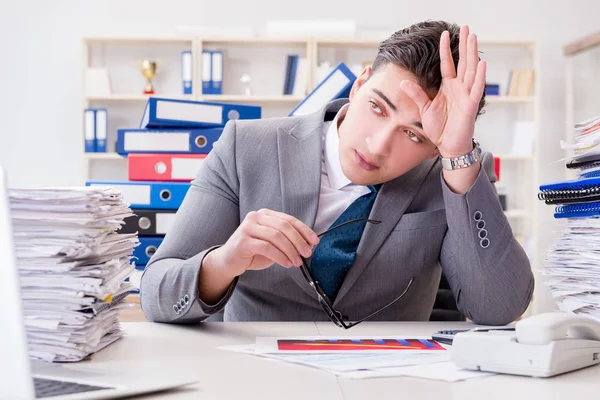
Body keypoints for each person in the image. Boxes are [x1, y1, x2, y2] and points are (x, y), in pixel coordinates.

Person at [139, 20, 534, 327]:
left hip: (392, 381)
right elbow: (156, 294)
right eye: (377, 108)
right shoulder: (246, 147)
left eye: (413, 135)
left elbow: (499, 309)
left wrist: (457, 156)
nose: (378, 145)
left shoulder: (451, 170)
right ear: (359, 83)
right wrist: (225, 261)